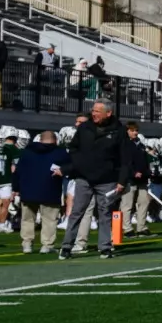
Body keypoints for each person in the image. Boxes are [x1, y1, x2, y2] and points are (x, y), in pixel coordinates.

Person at [59, 100, 132, 260]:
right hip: (84, 178)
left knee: (105, 213)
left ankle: (105, 247)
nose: (94, 114)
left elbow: (125, 158)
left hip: (107, 179)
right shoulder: (85, 128)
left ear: (108, 113)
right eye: (93, 110)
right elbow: (73, 148)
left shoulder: (119, 131)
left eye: (98, 111)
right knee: (77, 212)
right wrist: (79, 165)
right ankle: (66, 246)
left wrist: (121, 180)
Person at [13, 128, 68, 254]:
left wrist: (16, 188)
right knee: (49, 219)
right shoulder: (60, 153)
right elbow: (70, 166)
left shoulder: (27, 152)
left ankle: (27, 244)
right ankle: (47, 245)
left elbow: (17, 172)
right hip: (50, 189)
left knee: (27, 219)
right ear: (55, 140)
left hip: (28, 191)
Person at [121, 123, 153, 237]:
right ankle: (127, 229)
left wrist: (147, 171)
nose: (135, 132)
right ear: (127, 131)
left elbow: (144, 160)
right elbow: (125, 162)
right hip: (130, 178)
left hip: (143, 178)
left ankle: (141, 227)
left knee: (144, 202)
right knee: (127, 204)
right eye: (132, 130)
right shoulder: (124, 144)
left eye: (136, 130)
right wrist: (133, 172)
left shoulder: (140, 144)